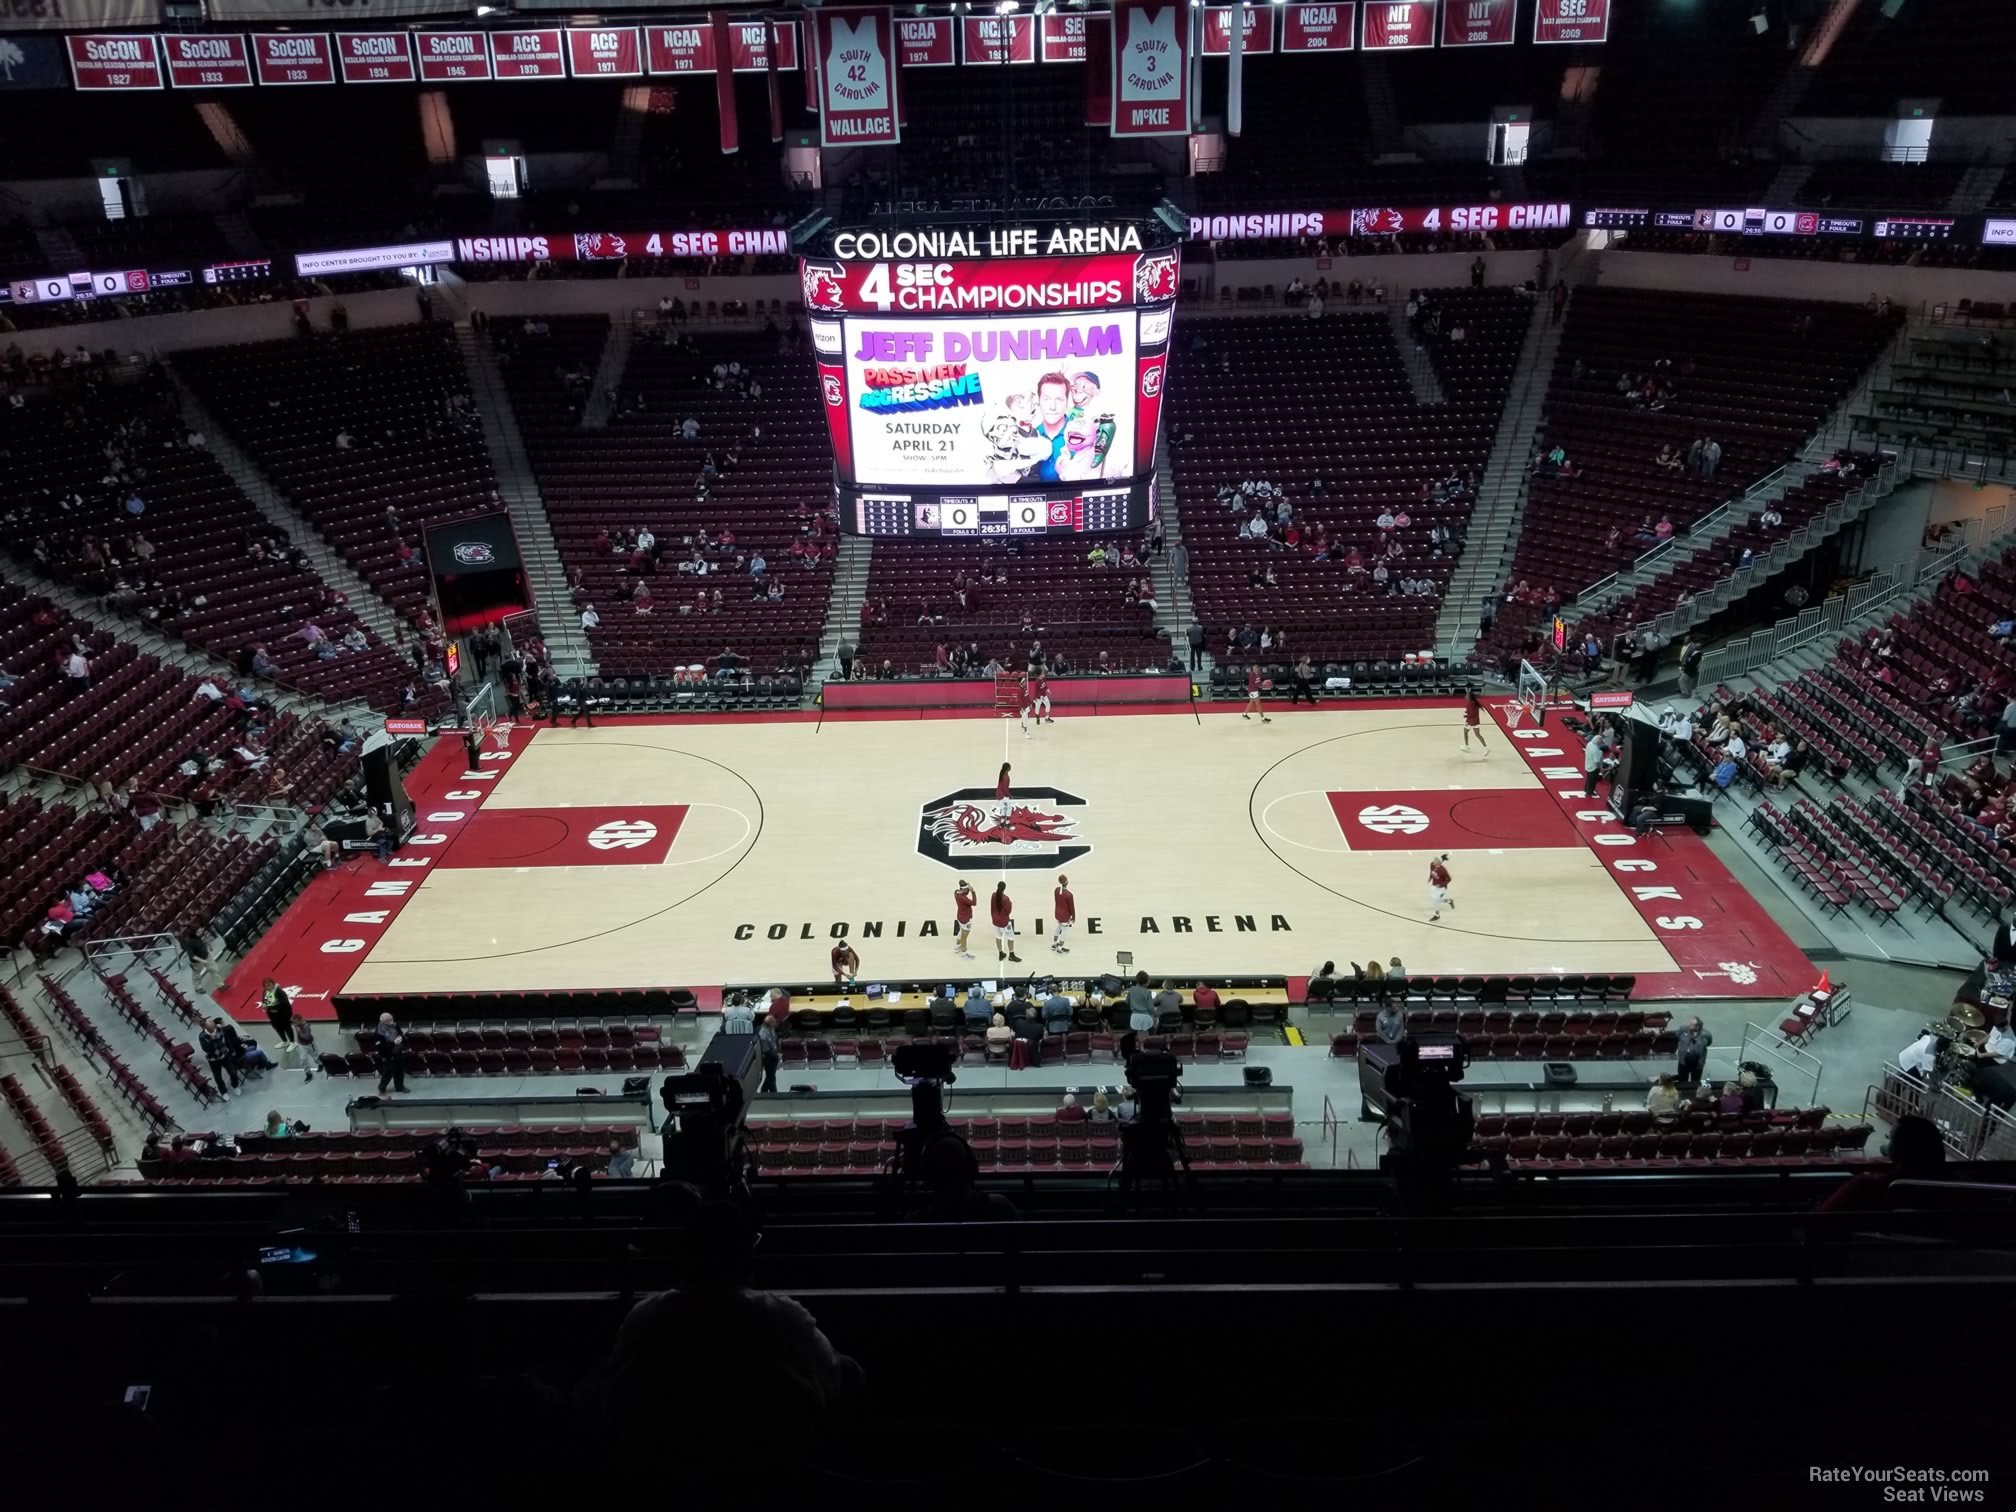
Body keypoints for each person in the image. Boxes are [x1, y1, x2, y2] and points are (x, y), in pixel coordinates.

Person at [1816, 1114, 1945, 1213]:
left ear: (1897, 1150)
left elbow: (1820, 1218)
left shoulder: (1866, 1186)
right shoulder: (1955, 1188)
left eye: (1891, 1140)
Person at [199, 1019, 242, 1097]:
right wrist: (212, 1039)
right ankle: (223, 1091)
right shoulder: (202, 1036)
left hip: (224, 1055)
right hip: (213, 1059)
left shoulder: (219, 1029)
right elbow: (206, 1049)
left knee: (233, 1072)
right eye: (211, 1030)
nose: (213, 1031)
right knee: (218, 1077)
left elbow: (226, 1039)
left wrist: (231, 1049)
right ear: (206, 1028)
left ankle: (235, 1085)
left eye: (214, 1029)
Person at [373, 1011, 408, 1094]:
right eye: (390, 1019)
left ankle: (399, 1086)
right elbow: (381, 1048)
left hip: (397, 1051)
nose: (392, 1020)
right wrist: (394, 1043)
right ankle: (382, 1087)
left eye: (392, 1018)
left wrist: (401, 1039)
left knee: (399, 1070)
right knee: (388, 1072)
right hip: (388, 1054)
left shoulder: (395, 1025)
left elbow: (400, 1034)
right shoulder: (378, 1033)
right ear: (384, 1022)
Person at [1675, 1016, 1711, 1090]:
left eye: (1691, 1024)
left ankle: (1693, 1094)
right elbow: (1677, 1036)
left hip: (1697, 1063)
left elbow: (1709, 1042)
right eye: (1690, 1023)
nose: (1689, 1025)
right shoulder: (1683, 1030)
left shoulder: (1706, 1035)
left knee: (1695, 1082)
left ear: (1698, 1027)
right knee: (1682, 1080)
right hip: (1683, 1061)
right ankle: (1683, 1093)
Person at [990, 881, 1020, 964]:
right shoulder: (1006, 899)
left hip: (995, 920)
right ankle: (1011, 955)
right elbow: (1008, 911)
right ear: (1004, 888)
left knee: (998, 937)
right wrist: (1011, 904)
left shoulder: (993, 895)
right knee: (1011, 937)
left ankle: (1000, 953)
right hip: (1004, 922)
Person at [260, 977, 292, 1049]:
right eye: (266, 985)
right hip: (272, 1015)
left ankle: (292, 1042)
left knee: (287, 1028)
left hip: (283, 1014)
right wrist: (264, 1004)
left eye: (269, 984)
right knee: (278, 1028)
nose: (268, 986)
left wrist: (276, 1004)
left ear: (273, 984)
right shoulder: (265, 991)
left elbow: (286, 1004)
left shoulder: (279, 992)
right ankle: (285, 1041)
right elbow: (265, 1000)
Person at [952, 879, 977, 960]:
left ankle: (958, 946)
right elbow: (974, 903)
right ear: (964, 889)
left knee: (961, 931)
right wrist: (973, 891)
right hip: (966, 919)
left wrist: (967, 889)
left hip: (960, 916)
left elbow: (964, 892)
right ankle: (964, 954)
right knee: (964, 936)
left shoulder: (956, 892)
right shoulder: (963, 898)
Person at [1051, 874, 1075, 954]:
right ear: (1067, 882)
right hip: (1065, 916)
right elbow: (1072, 908)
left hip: (1057, 913)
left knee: (1058, 927)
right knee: (1064, 931)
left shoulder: (1056, 890)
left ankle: (1054, 944)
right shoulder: (1069, 895)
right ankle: (1060, 947)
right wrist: (1073, 917)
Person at [756, 1018, 780, 1093]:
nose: (776, 1023)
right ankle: (769, 1091)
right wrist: (776, 1056)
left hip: (773, 1055)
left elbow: (775, 1040)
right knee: (771, 1076)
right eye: (774, 1022)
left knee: (771, 1076)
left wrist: (778, 1052)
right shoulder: (763, 1034)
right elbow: (766, 1050)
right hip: (768, 1057)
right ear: (770, 1023)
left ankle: (766, 1090)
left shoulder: (771, 1029)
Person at [1427, 854, 1453, 923]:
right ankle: (1449, 901)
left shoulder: (1443, 870)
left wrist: (1441, 884)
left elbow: (1449, 879)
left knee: (1436, 901)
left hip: (1441, 888)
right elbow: (1431, 871)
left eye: (1435, 860)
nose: (1433, 861)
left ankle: (1437, 915)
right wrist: (1430, 878)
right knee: (1436, 899)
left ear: (1439, 862)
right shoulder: (1432, 864)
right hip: (1434, 886)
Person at [1462, 687, 1489, 754]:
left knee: (1465, 732)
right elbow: (1473, 712)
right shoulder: (1474, 703)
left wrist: (1466, 716)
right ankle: (1486, 748)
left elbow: (1472, 714)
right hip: (1476, 721)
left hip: (1471, 721)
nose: (1465, 696)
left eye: (1467, 695)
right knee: (1478, 735)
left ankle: (1467, 747)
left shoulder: (1469, 704)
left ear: (1469, 697)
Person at [292, 1016, 318, 1083]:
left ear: (300, 1020)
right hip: (302, 1045)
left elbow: (306, 1037)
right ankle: (308, 1074)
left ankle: (320, 1064)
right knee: (303, 1059)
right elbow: (298, 1035)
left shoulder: (306, 1026)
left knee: (316, 1058)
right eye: (294, 1022)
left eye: (296, 1022)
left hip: (310, 1044)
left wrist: (299, 1032)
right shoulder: (296, 1025)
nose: (295, 1024)